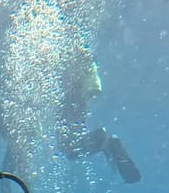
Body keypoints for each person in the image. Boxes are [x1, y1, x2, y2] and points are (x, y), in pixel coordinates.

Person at [57, 49, 141, 183]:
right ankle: (106, 142)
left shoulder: (63, 50)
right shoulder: (76, 49)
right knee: (69, 148)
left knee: (69, 148)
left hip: (70, 93)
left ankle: (106, 142)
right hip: (76, 91)